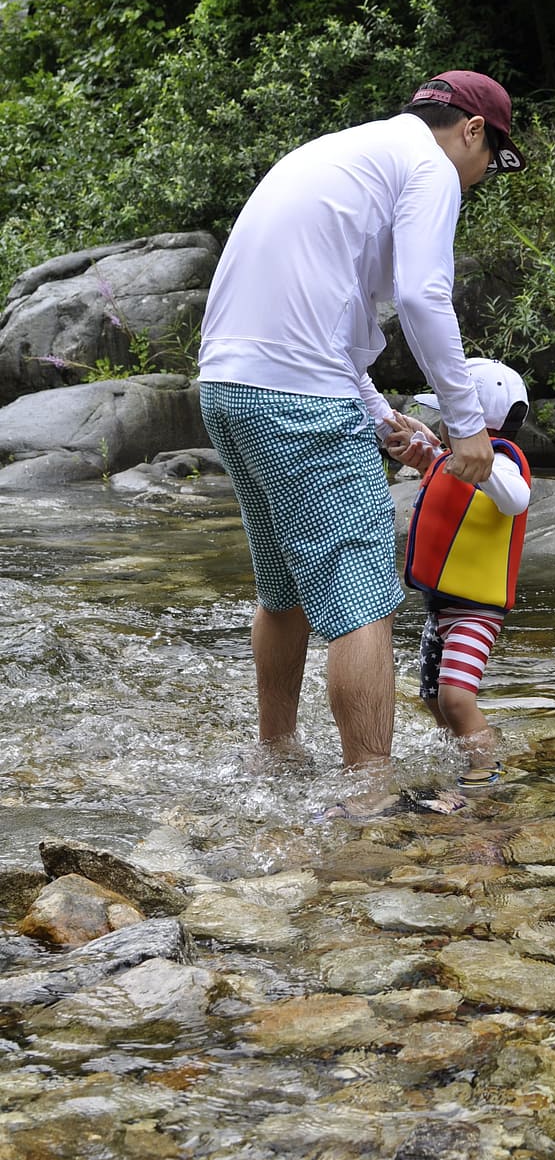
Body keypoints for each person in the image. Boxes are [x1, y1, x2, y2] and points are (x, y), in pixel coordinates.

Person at [196, 71, 527, 802]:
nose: (483, 179)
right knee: (362, 599)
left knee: (284, 592)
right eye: (494, 160)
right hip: (298, 397)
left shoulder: (345, 153)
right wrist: (467, 426)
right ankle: (368, 793)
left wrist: (382, 419)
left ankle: (276, 755)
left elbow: (335, 338)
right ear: (473, 129)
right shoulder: (429, 167)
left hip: (227, 387)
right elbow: (421, 294)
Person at [387, 357, 531, 787]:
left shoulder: (501, 464)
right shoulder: (456, 457)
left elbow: (516, 499)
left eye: (445, 413)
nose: (440, 422)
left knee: (456, 699)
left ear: (469, 418)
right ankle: (457, 760)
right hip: (443, 607)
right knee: (433, 699)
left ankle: (484, 775)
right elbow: (451, 472)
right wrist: (424, 451)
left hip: (475, 612)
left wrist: (470, 459)